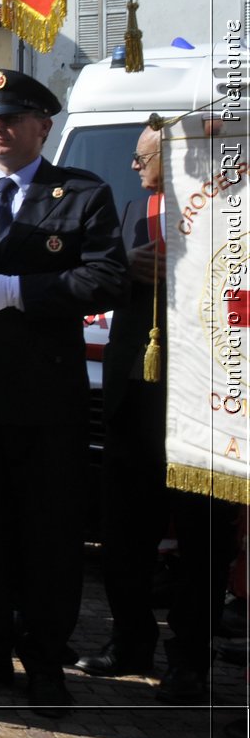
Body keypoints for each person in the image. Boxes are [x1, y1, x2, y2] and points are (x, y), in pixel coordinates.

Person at [0, 69, 126, 717]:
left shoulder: (81, 193)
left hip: (42, 404)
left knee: (47, 537)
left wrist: (18, 292)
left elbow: (106, 277)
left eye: (12, 118)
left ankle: (44, 662)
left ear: (44, 126)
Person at [77, 124, 241, 704]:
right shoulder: (130, 212)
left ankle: (190, 662)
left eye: (142, 155)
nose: (133, 164)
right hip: (132, 400)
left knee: (202, 546)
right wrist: (126, 271)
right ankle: (130, 643)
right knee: (126, 536)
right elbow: (94, 286)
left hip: (205, 406)